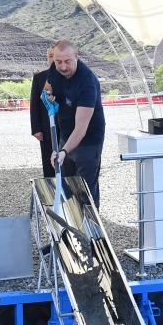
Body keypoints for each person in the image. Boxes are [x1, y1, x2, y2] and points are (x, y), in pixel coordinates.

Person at [44, 39, 105, 209]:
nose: (63, 67)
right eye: (58, 62)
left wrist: (63, 151)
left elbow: (81, 128)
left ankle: (90, 222)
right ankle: (69, 219)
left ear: (76, 56)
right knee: (66, 185)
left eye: (68, 61)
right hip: (65, 133)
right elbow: (47, 87)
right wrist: (47, 96)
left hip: (88, 140)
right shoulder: (56, 69)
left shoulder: (87, 83)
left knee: (85, 188)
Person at [30, 45, 57, 177]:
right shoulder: (39, 77)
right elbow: (34, 105)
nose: (53, 59)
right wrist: (36, 129)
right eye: (51, 56)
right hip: (46, 130)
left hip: (67, 128)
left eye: (55, 56)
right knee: (48, 164)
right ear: (47, 59)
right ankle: (50, 187)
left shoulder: (69, 76)